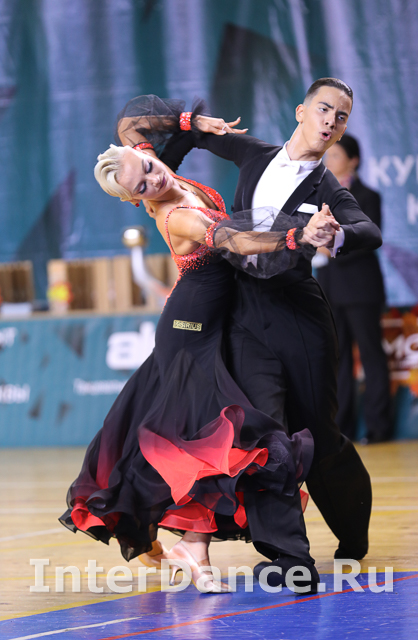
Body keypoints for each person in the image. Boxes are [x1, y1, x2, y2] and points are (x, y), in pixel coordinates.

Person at [59, 98, 338, 593]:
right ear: (134, 200)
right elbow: (238, 241)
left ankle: (194, 547)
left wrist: (189, 122)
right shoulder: (177, 215)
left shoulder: (153, 165)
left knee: (206, 442)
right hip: (191, 333)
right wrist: (300, 235)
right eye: (142, 186)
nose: (154, 179)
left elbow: (131, 121)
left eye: (149, 166)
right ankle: (171, 537)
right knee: (203, 442)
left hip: (212, 323)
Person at [157, 78, 383, 585]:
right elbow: (183, 139)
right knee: (263, 435)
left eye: (341, 116)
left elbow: (369, 231)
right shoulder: (255, 155)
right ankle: (288, 557)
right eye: (324, 109)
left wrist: (334, 233)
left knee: (318, 434)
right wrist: (181, 145)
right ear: (301, 111)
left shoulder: (327, 187)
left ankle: (352, 529)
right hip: (243, 314)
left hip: (299, 316)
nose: (331, 121)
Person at [316, 134, 391, 443]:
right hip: (330, 290)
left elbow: (369, 239)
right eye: (327, 156)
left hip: (361, 289)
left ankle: (379, 428)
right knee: (338, 359)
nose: (329, 161)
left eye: (335, 155)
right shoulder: (321, 198)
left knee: (371, 355)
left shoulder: (367, 196)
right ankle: (342, 429)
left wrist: (331, 248)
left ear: (353, 161)